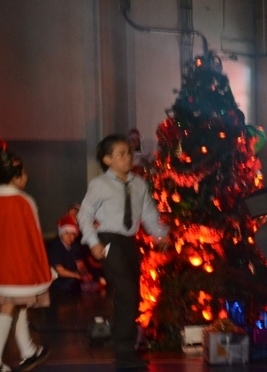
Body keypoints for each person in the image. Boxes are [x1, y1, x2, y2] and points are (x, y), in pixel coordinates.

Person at [77, 134, 169, 370]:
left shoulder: (138, 184)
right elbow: (84, 214)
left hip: (129, 242)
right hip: (109, 240)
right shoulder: (100, 185)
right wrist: (93, 242)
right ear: (107, 160)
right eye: (121, 154)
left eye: (128, 153)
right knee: (126, 289)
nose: (128, 157)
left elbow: (148, 214)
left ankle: (126, 346)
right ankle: (123, 350)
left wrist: (160, 234)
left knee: (133, 293)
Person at [0, 145, 53, 371]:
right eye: (25, 172)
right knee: (10, 306)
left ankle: (28, 350)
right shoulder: (24, 201)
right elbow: (33, 236)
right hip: (17, 266)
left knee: (19, 304)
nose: (27, 176)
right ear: (16, 176)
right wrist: (42, 267)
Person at [47, 215, 91, 295]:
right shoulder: (55, 247)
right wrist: (77, 275)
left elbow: (80, 264)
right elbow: (60, 271)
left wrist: (84, 273)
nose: (70, 237)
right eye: (66, 233)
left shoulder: (75, 246)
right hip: (57, 279)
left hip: (72, 276)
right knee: (70, 284)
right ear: (61, 234)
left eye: (73, 234)